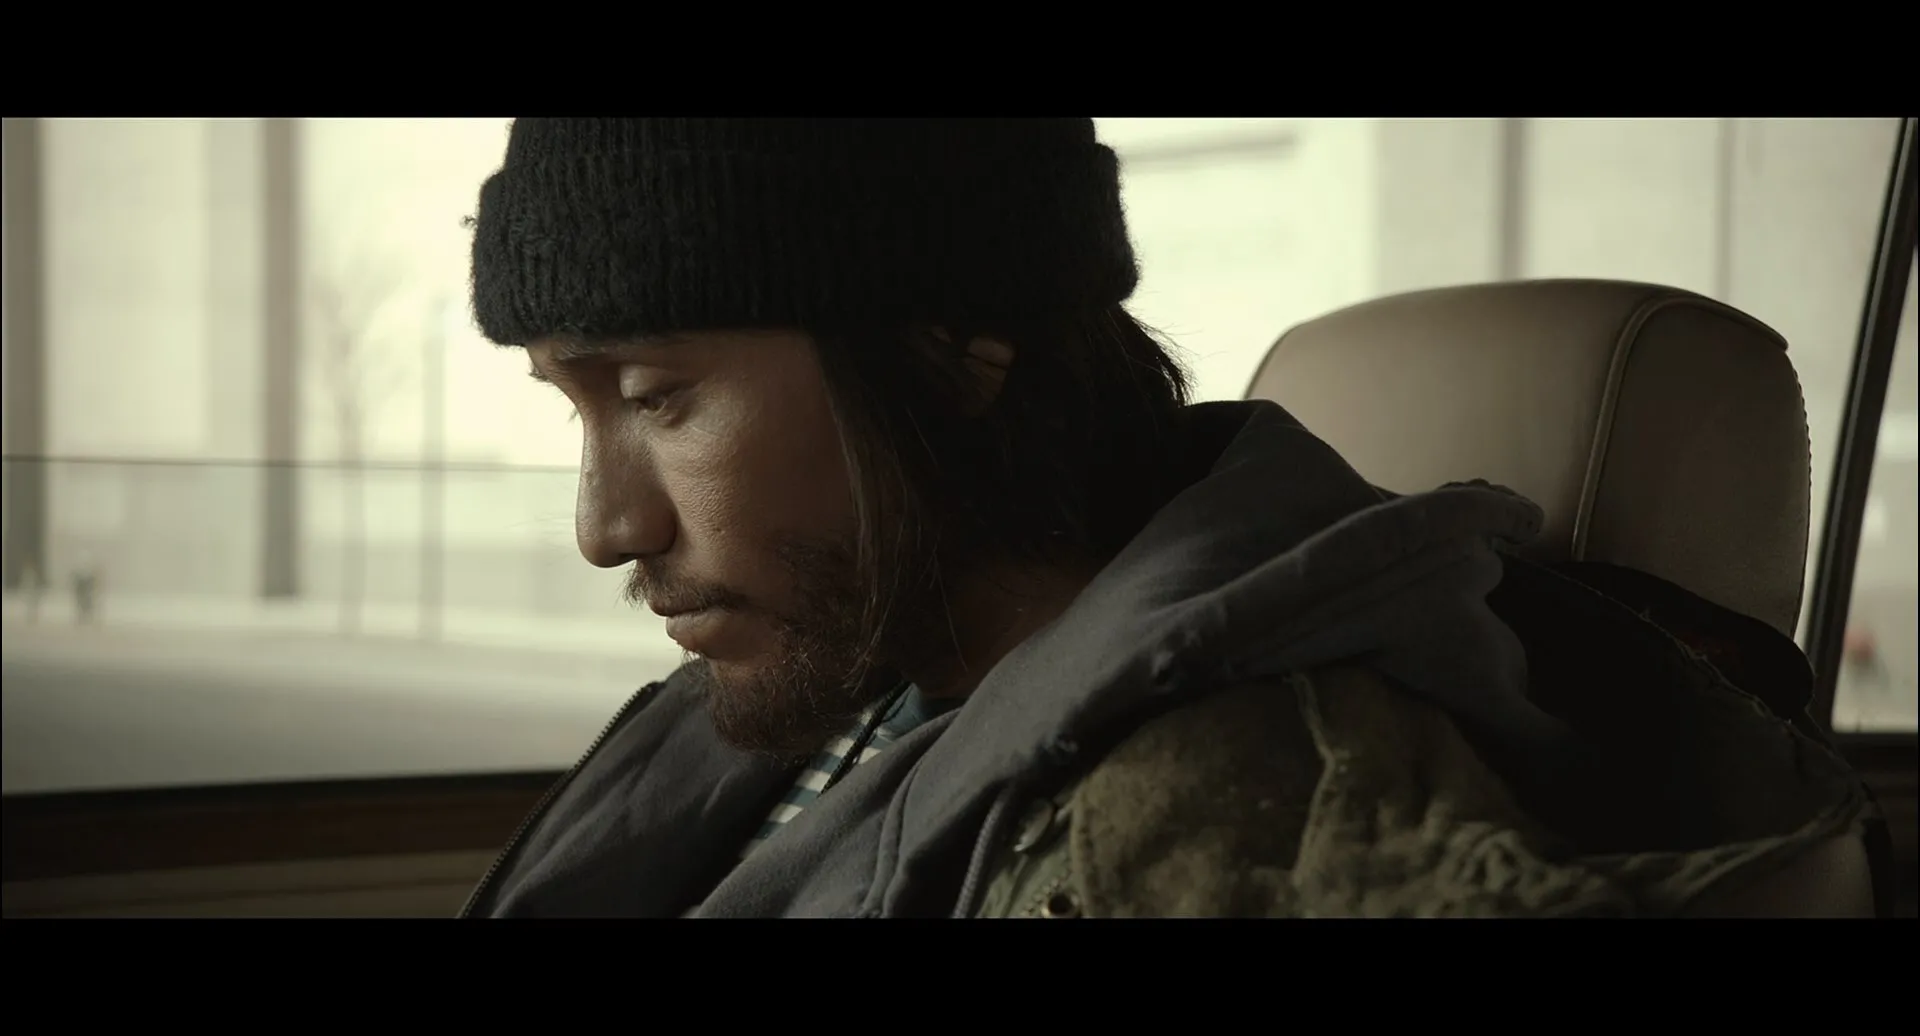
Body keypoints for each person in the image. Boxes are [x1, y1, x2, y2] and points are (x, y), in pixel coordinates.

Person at [458, 118, 1880, 918]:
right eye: (574, 408)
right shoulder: (849, 665)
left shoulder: (1225, 814)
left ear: (955, 350)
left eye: (656, 399)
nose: (604, 526)